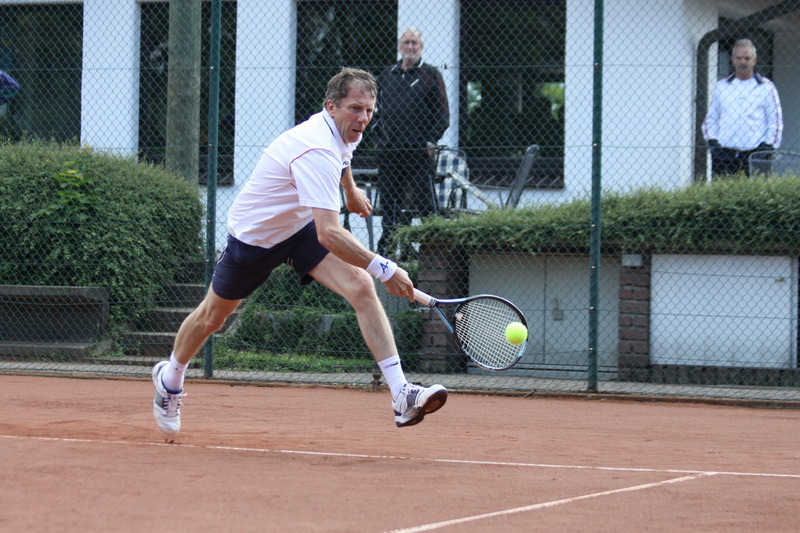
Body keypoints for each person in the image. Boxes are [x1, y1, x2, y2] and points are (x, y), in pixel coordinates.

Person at [151, 68, 447, 435]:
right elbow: (329, 234)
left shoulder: (342, 131)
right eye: (356, 109)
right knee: (213, 318)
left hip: (299, 226)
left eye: (369, 111)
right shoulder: (315, 149)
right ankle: (170, 377)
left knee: (360, 287)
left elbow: (344, 156)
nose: (363, 119)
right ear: (331, 106)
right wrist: (385, 268)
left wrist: (351, 191)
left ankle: (401, 393)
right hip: (256, 237)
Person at [373, 27, 449, 259]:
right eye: (406, 42)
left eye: (414, 43)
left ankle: (434, 255)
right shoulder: (386, 75)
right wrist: (378, 140)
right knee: (390, 205)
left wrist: (430, 141)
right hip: (389, 153)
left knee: (425, 205)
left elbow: (443, 114)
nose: (410, 47)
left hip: (418, 152)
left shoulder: (431, 74)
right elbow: (374, 111)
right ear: (399, 46)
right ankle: (386, 254)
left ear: (421, 47)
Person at [702, 38, 783, 177]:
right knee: (725, 195)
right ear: (733, 60)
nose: (743, 62)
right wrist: (713, 144)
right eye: (739, 58)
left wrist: (768, 148)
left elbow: (775, 121)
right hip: (724, 155)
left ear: (754, 61)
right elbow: (711, 118)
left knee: (756, 196)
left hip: (756, 154)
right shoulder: (722, 86)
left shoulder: (766, 87)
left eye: (747, 58)